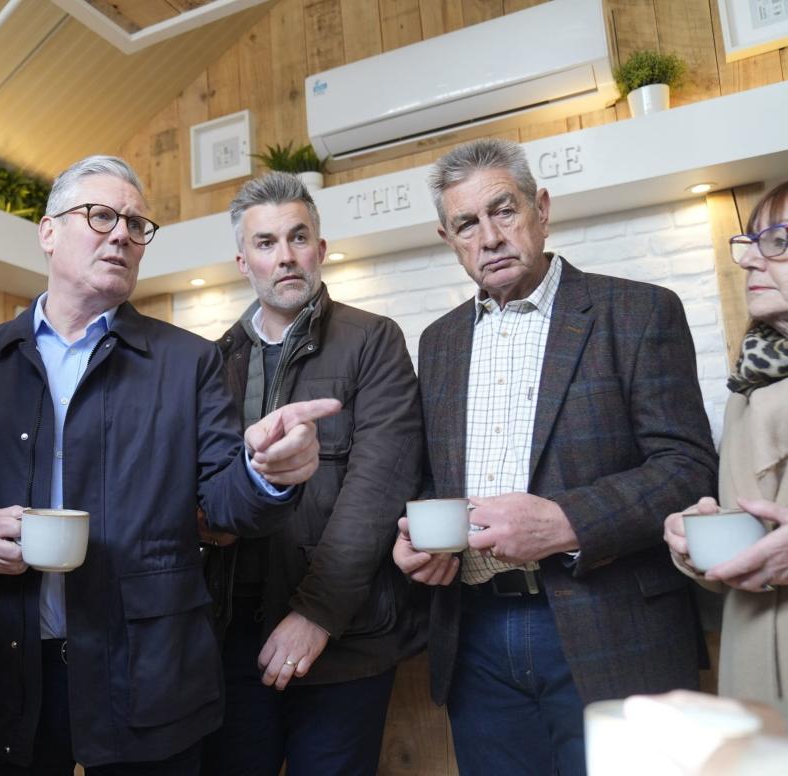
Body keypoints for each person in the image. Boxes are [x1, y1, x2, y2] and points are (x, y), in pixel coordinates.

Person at [0, 155, 338, 774]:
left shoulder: (188, 362)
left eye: (136, 225)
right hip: (7, 668)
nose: (121, 233)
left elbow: (223, 501)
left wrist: (265, 473)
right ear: (48, 232)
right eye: (101, 216)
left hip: (146, 675)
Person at [391, 138, 719, 775]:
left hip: (613, 627)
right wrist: (417, 542)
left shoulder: (640, 311)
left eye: (503, 210)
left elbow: (685, 468)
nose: (488, 236)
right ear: (448, 238)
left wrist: (566, 522)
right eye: (466, 224)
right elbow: (436, 475)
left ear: (541, 209)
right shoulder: (438, 343)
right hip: (476, 638)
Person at [200, 171, 424, 775]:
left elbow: (377, 491)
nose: (286, 257)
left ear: (320, 250)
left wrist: (317, 615)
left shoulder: (373, 341)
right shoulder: (215, 359)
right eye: (267, 244)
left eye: (299, 238)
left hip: (345, 641)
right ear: (244, 261)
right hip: (234, 640)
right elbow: (206, 491)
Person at [664, 180, 788, 718]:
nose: (751, 262)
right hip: (753, 660)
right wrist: (696, 537)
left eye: (778, 241)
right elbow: (749, 538)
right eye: (750, 242)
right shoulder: (749, 385)